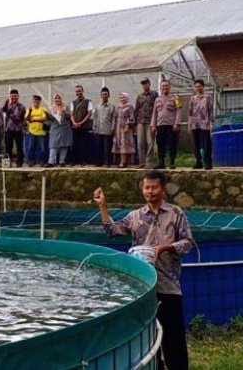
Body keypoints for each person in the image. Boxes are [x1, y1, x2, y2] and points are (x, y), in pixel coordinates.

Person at [93, 170, 191, 370]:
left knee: (173, 336)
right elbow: (112, 230)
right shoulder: (135, 216)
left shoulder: (176, 213)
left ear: (163, 189)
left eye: (154, 187)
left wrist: (165, 248)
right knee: (148, 335)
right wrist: (103, 206)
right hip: (144, 287)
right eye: (147, 187)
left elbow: (188, 243)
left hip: (168, 285)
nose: (150, 191)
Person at [151, 80, 182, 170]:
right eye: (163, 86)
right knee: (160, 144)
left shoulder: (176, 98)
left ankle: (172, 162)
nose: (165, 87)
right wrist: (153, 125)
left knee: (172, 144)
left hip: (171, 125)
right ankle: (161, 162)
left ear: (170, 87)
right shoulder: (157, 99)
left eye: (166, 86)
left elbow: (179, 111)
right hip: (160, 125)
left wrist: (177, 123)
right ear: (161, 87)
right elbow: (154, 112)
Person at [188, 79, 214, 170]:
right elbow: (190, 112)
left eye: (199, 86)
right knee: (196, 144)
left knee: (206, 143)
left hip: (204, 123)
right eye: (196, 86)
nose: (198, 88)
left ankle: (208, 163)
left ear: (203, 86)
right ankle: (198, 162)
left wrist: (211, 122)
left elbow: (210, 110)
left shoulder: (208, 97)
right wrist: (189, 124)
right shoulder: (192, 99)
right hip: (195, 124)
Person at [134, 77, 158, 168]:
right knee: (140, 142)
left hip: (150, 122)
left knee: (150, 142)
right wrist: (134, 123)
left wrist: (155, 122)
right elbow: (136, 109)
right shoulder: (139, 96)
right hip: (140, 121)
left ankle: (148, 162)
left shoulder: (154, 94)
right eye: (143, 84)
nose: (144, 85)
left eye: (146, 83)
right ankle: (141, 162)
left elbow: (157, 108)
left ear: (149, 84)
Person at [47, 93, 73, 167]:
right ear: (54, 99)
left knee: (64, 145)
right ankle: (51, 162)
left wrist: (64, 113)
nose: (57, 99)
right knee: (53, 145)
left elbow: (70, 117)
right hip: (55, 127)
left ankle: (62, 161)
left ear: (61, 99)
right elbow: (49, 120)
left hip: (65, 128)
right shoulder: (51, 108)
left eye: (59, 98)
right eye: (56, 98)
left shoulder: (66, 107)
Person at [70, 84, 93, 166]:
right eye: (76, 91)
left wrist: (81, 122)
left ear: (82, 91)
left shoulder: (88, 102)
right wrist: (74, 122)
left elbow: (89, 114)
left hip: (84, 126)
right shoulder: (73, 102)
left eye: (79, 91)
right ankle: (74, 161)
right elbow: (71, 114)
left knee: (84, 144)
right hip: (75, 126)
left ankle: (83, 161)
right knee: (75, 144)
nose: (78, 93)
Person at [92, 87, 116, 167]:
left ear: (109, 95)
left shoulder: (112, 106)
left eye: (106, 94)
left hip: (108, 129)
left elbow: (114, 118)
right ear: (101, 96)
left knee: (107, 148)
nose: (104, 96)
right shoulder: (97, 106)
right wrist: (94, 127)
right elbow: (95, 117)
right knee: (98, 147)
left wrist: (113, 128)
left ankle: (107, 163)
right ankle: (98, 162)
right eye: (103, 94)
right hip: (98, 129)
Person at [2, 89, 26, 167]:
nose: (13, 98)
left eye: (15, 96)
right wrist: (6, 102)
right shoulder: (8, 105)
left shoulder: (21, 106)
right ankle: (8, 162)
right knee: (8, 147)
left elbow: (20, 117)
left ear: (18, 97)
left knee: (19, 147)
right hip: (9, 129)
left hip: (18, 129)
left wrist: (23, 128)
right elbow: (3, 110)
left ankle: (19, 162)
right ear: (10, 97)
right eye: (12, 96)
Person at [112, 92, 135, 168]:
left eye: (123, 97)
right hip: (118, 127)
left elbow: (131, 117)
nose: (122, 99)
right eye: (120, 98)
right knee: (118, 143)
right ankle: (120, 161)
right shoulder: (118, 107)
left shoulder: (130, 106)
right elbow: (115, 117)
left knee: (125, 144)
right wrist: (114, 127)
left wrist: (128, 126)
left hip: (125, 127)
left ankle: (124, 162)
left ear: (127, 98)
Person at [25, 95, 48, 167]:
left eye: (38, 101)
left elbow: (44, 119)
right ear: (33, 101)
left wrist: (34, 120)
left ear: (40, 102)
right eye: (35, 100)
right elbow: (27, 119)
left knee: (42, 149)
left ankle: (42, 161)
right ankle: (31, 161)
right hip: (32, 132)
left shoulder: (43, 109)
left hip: (41, 132)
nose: (36, 102)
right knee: (31, 148)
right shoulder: (29, 109)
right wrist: (30, 112)